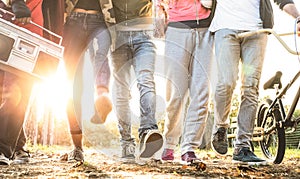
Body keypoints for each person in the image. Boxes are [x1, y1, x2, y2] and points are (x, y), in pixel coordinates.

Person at [209, 0, 300, 164]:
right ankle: (220, 126)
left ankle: (243, 147)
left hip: (257, 30)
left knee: (250, 87)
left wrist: (298, 17)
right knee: (227, 82)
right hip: (225, 28)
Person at [157, 0, 216, 163]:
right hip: (177, 28)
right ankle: (169, 143)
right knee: (175, 92)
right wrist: (158, 12)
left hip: (206, 30)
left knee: (202, 91)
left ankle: (189, 147)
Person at [110, 0, 163, 162]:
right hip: (117, 37)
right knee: (121, 90)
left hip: (144, 34)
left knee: (146, 80)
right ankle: (126, 142)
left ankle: (148, 132)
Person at [62, 0, 112, 162]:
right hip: (75, 21)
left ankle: (77, 149)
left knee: (73, 84)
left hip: (94, 19)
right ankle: (102, 92)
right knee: (98, 59)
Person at [0, 0, 42, 165]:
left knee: (17, 91)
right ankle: (17, 145)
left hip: (29, 28)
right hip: (6, 21)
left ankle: (3, 147)